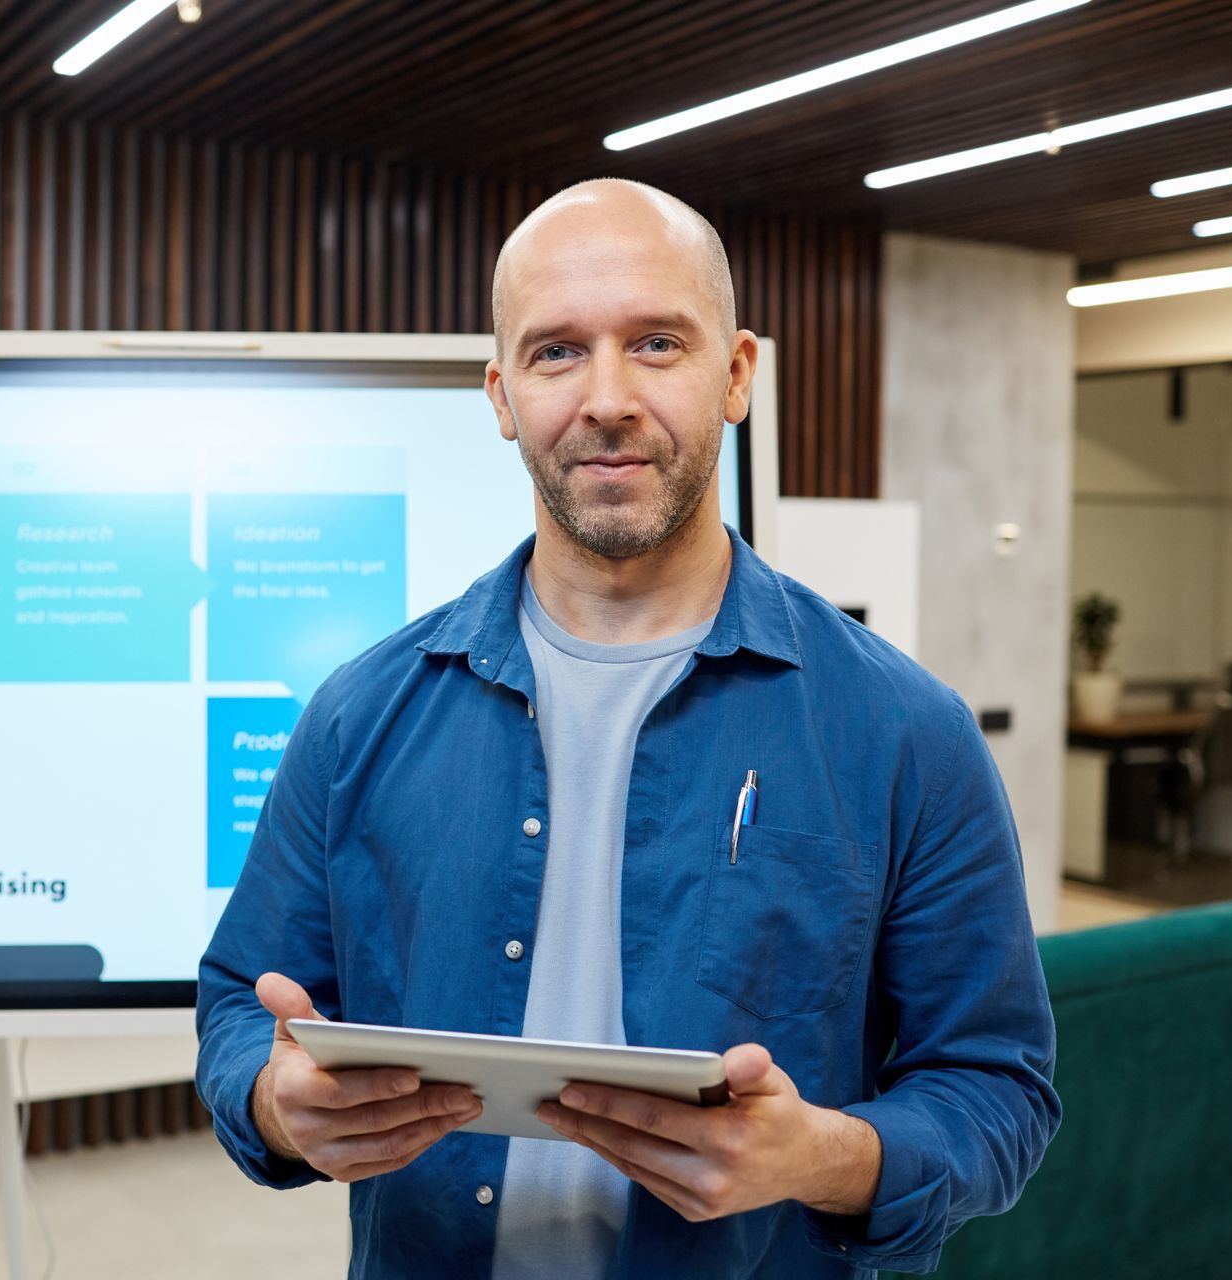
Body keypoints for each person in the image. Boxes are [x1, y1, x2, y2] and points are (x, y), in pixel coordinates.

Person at [195, 178, 1059, 1278]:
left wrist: (821, 1155)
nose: (607, 397)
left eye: (656, 342)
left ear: (735, 373)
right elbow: (237, 1000)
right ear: (502, 394)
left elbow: (996, 1087)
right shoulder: (360, 711)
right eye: (557, 352)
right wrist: (274, 1098)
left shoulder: (903, 730)